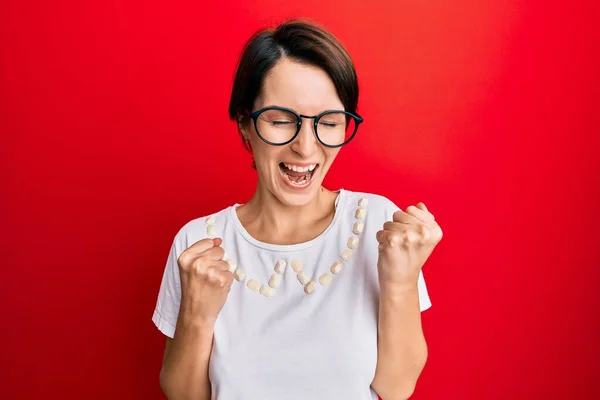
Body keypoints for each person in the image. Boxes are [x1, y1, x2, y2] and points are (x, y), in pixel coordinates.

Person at [152, 18, 443, 400]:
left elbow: (396, 388)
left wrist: (401, 281)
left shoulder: (378, 226)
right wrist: (196, 314)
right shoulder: (198, 245)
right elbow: (184, 396)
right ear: (244, 123)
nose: (306, 148)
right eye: (280, 120)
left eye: (329, 122)